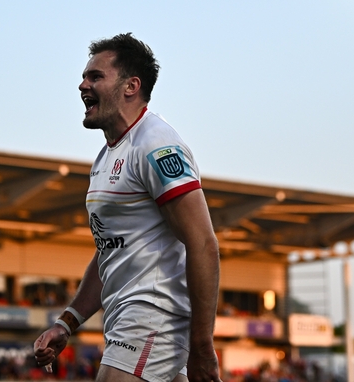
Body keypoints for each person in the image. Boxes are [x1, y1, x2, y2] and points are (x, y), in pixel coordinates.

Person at [34, 33, 222, 382]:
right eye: (84, 76)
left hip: (154, 315)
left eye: (95, 76)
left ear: (131, 86)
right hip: (124, 318)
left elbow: (204, 243)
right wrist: (67, 321)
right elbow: (109, 249)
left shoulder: (156, 144)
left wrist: (202, 346)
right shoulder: (106, 157)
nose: (82, 85)